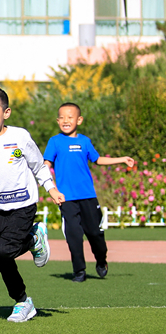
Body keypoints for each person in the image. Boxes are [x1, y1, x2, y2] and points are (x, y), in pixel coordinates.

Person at [0, 86, 65, 323]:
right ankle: (24, 301)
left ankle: (32, 238)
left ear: (6, 112)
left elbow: (38, 165)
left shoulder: (19, 137)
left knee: (5, 251)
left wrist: (52, 189)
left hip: (23, 206)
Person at [43, 102, 134, 282]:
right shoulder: (54, 142)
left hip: (88, 196)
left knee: (95, 233)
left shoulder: (85, 141)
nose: (65, 121)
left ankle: (101, 260)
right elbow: (46, 166)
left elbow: (98, 160)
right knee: (74, 236)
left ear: (79, 120)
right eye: (61, 118)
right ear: (57, 121)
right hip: (66, 198)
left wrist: (122, 159)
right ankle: (79, 271)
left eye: (70, 117)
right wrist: (51, 188)